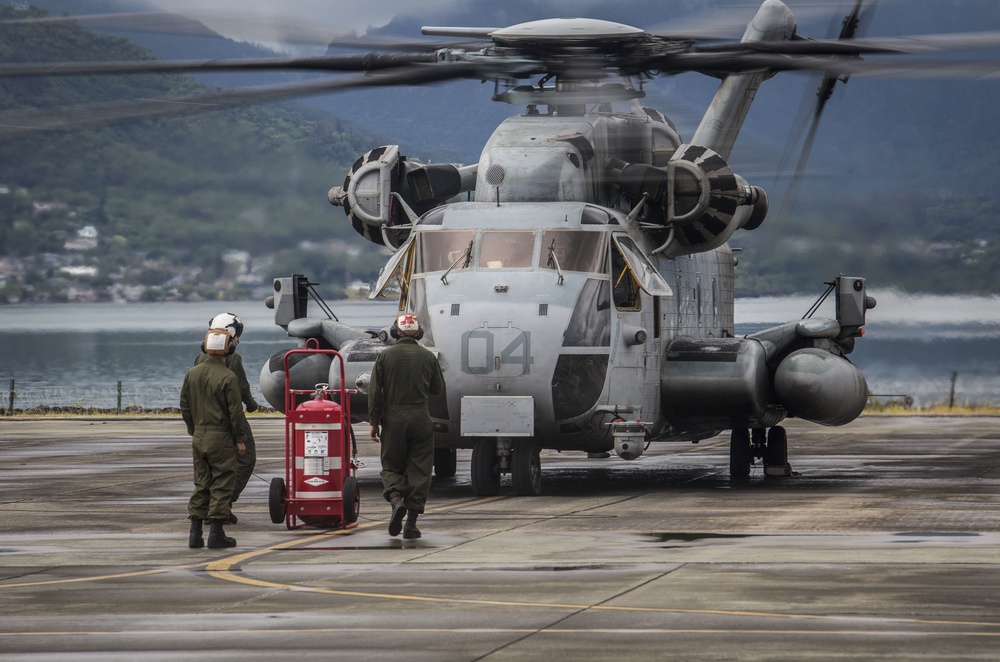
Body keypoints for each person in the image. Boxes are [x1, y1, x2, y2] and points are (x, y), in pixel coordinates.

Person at [368, 313, 444, 539]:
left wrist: (375, 422)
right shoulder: (429, 357)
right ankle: (411, 524)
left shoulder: (385, 356)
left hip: (393, 418)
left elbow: (374, 394)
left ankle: (396, 500)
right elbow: (438, 389)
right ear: (418, 333)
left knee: (391, 466)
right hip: (420, 417)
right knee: (420, 470)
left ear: (395, 332)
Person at [181, 328, 248, 549]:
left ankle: (195, 533)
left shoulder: (192, 374)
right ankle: (216, 534)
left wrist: (193, 429)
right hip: (221, 437)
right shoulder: (229, 377)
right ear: (229, 349)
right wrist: (240, 439)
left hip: (199, 436)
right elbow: (235, 412)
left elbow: (185, 405)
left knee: (201, 483)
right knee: (222, 482)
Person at [194, 312, 260, 524]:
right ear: (232, 334)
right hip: (229, 419)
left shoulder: (200, 357)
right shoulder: (233, 358)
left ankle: (207, 508)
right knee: (246, 459)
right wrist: (252, 405)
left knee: (208, 468)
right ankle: (222, 505)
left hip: (203, 421)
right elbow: (240, 388)